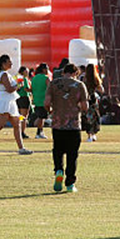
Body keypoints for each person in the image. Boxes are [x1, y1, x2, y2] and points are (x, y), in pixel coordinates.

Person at [0, 55, 33, 156]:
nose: (11, 63)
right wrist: (18, 85)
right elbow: (9, 89)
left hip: (9, 101)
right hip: (5, 102)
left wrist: (16, 85)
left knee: (17, 124)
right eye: (9, 62)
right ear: (3, 64)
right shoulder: (4, 74)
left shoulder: (4, 74)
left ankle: (21, 148)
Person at [47, 63, 88, 193]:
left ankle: (59, 170)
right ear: (76, 73)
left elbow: (46, 102)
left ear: (63, 72)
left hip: (57, 123)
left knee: (57, 150)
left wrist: (51, 110)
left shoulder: (53, 84)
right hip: (73, 124)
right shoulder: (79, 85)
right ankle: (70, 183)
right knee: (72, 154)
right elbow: (84, 105)